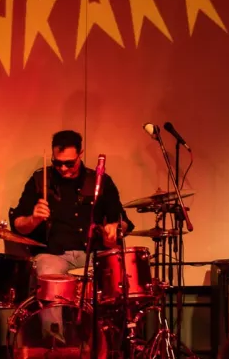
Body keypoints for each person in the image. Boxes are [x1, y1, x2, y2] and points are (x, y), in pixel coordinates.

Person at [9, 130, 135, 343]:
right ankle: (55, 347)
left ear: (80, 154)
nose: (63, 169)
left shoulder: (100, 181)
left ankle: (107, 344)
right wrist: (34, 219)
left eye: (69, 163)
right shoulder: (40, 180)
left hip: (94, 253)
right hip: (54, 254)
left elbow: (122, 221)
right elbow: (18, 225)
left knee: (115, 274)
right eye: (58, 164)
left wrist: (114, 228)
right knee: (48, 273)